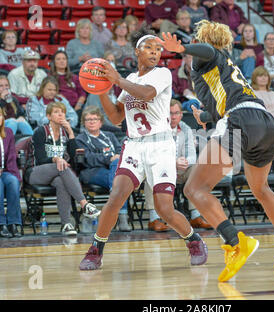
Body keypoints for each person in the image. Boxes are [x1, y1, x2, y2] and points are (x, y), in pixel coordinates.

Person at [157, 20, 274, 282]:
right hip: (266, 124)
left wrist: (183, 48)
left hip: (240, 123)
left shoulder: (208, 57)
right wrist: (205, 116)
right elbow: (222, 107)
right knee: (261, 189)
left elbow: (207, 51)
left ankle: (236, 242)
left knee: (194, 189)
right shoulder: (227, 67)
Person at [79, 26, 208, 271]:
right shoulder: (131, 78)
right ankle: (96, 249)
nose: (155, 52)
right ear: (137, 51)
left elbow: (147, 95)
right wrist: (104, 92)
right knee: (116, 197)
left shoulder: (162, 74)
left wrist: (116, 80)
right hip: (135, 145)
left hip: (160, 145)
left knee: (164, 208)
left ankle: (194, 240)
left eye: (158, 49)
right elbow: (117, 118)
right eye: (149, 48)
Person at [26, 102, 101, 236]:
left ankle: (66, 224)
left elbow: (73, 158)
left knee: (61, 181)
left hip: (59, 173)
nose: (60, 114)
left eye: (62, 112)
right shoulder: (40, 131)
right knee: (62, 166)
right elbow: (40, 158)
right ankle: (85, 204)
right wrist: (56, 159)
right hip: (36, 172)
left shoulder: (65, 133)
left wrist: (71, 133)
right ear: (48, 116)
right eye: (56, 112)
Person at [144, 99, 212, 232]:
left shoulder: (185, 128)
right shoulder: (156, 129)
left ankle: (195, 216)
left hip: (181, 170)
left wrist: (186, 162)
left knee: (196, 169)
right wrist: (173, 162)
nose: (173, 117)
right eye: (170, 113)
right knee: (150, 172)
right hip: (162, 171)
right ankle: (154, 219)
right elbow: (152, 156)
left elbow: (192, 154)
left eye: (176, 113)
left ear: (181, 114)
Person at [76, 106, 131, 232]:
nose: (91, 121)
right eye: (88, 119)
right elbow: (88, 159)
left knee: (119, 172)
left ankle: (116, 195)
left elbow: (120, 151)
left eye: (95, 119)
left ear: (101, 122)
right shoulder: (80, 139)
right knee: (122, 181)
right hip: (91, 172)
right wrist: (109, 158)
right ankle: (122, 215)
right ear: (84, 123)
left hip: (112, 171)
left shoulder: (109, 136)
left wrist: (113, 159)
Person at [0, 108, 23, 238]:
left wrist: (17, 177)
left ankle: (13, 223)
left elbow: (12, 158)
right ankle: (1, 223)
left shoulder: (8, 132)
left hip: (6, 171)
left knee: (13, 182)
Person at [49, 50, 87, 115]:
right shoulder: (50, 77)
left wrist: (78, 105)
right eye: (58, 59)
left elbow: (82, 94)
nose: (62, 61)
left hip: (76, 107)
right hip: (59, 108)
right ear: (54, 63)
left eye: (64, 59)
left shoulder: (74, 77)